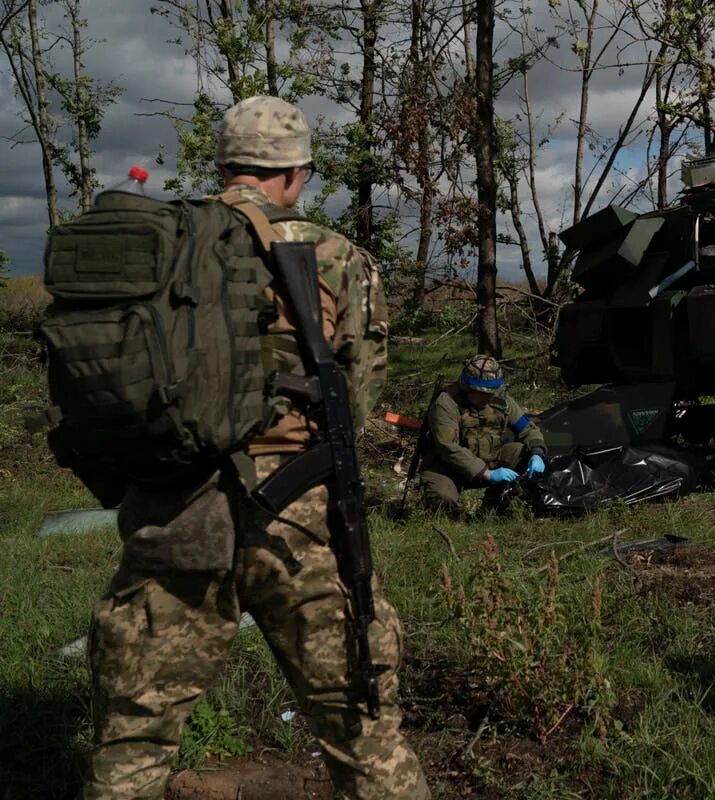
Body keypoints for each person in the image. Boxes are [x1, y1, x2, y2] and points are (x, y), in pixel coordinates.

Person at [82, 96, 429, 800]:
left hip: (174, 507)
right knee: (364, 735)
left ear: (223, 165)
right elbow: (357, 403)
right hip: (296, 519)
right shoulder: (335, 257)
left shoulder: (163, 246)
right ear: (298, 174)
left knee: (135, 734)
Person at [420, 354, 547, 514]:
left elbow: (527, 428)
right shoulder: (446, 403)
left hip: (491, 459)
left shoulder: (501, 400)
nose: (488, 397)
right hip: (449, 467)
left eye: (491, 392)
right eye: (481, 392)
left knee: (522, 452)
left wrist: (537, 453)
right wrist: (486, 473)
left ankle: (494, 505)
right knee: (442, 501)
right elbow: (448, 447)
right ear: (467, 387)